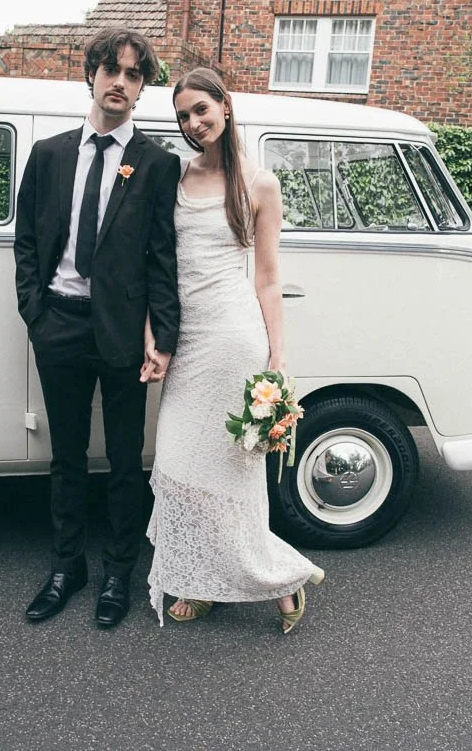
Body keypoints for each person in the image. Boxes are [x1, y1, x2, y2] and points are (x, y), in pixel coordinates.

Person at [147, 68, 324, 633]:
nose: (193, 123)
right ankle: (204, 579)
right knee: (179, 462)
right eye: (182, 116)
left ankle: (279, 583)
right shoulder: (173, 177)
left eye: (201, 109)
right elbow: (158, 264)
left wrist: (277, 358)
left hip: (232, 338)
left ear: (225, 105)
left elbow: (268, 279)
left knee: (233, 472)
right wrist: (155, 332)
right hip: (186, 340)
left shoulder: (259, 183)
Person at [14, 26, 180, 628]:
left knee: (126, 461)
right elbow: (27, 241)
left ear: (141, 88)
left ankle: (117, 574)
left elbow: (164, 258)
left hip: (122, 335)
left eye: (133, 74)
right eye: (111, 70)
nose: (120, 82)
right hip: (58, 325)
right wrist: (35, 313)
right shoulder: (51, 153)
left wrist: (163, 337)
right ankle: (66, 567)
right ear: (92, 74)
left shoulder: (157, 163)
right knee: (66, 457)